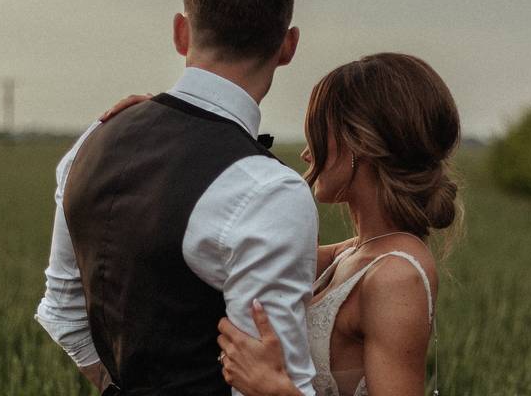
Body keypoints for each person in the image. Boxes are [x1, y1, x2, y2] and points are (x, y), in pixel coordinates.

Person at [34, 0, 319, 395]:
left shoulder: (94, 139)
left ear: (181, 32)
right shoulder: (269, 192)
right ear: (288, 46)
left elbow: (62, 312)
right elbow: (270, 385)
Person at [107, 53, 462, 396]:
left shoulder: (397, 276)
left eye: (318, 133)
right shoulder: (351, 254)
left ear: (360, 143)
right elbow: (237, 252)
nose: (308, 153)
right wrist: (161, 122)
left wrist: (276, 392)